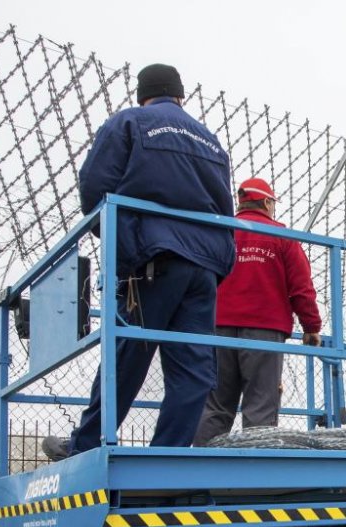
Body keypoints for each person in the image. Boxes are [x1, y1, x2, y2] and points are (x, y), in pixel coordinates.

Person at [43, 63, 235, 461]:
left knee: (127, 353)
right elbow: (223, 208)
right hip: (204, 266)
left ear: (142, 93)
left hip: (153, 259)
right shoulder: (212, 142)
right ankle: (168, 456)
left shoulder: (130, 122)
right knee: (194, 369)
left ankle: (86, 443)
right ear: (181, 95)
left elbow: (96, 189)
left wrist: (124, 241)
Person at [193, 177, 321, 444]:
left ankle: (202, 469)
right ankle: (253, 475)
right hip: (265, 329)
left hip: (217, 327)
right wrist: (311, 327)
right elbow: (301, 288)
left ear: (241, 202)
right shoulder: (281, 235)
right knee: (261, 404)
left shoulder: (222, 231)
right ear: (266, 201)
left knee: (215, 405)